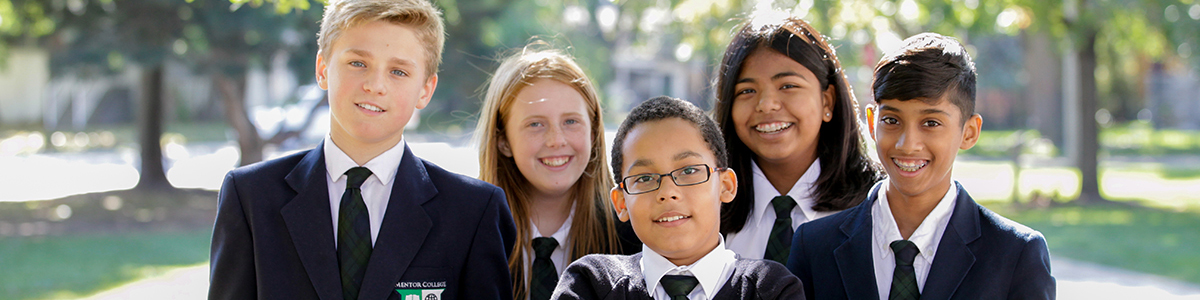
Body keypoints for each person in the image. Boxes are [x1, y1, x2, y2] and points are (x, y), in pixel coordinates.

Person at [208, 0, 516, 299]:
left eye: (398, 72)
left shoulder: (472, 211)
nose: (375, 85)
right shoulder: (251, 196)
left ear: (425, 90)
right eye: (358, 63)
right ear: (323, 68)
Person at [786, 33, 1055, 300]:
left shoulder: (1016, 253)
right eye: (891, 120)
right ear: (871, 122)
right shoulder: (814, 246)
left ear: (969, 132)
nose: (907, 144)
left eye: (931, 123)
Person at [552, 96, 805, 300]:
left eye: (688, 171)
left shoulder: (772, 289)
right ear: (621, 202)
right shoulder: (590, 284)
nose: (667, 192)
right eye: (644, 178)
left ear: (725, 186)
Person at [712, 13, 884, 264]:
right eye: (747, 91)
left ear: (827, 100)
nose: (766, 105)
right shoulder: (704, 205)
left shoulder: (878, 205)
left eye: (787, 86)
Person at [475, 45, 641, 300]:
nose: (556, 140)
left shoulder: (633, 234)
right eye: (536, 124)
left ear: (593, 132)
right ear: (503, 140)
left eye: (571, 121)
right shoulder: (469, 233)